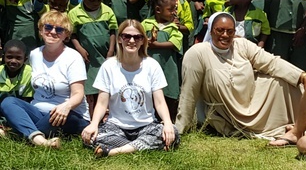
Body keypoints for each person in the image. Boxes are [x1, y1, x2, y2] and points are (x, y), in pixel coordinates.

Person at [175, 12, 306, 138]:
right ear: (211, 31)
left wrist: (302, 75)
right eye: (220, 30)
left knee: (284, 82)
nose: (225, 35)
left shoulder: (241, 45)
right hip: (227, 117)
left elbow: (270, 62)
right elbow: (189, 93)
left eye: (230, 31)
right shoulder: (198, 53)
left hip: (253, 103)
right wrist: (180, 130)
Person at [81, 19, 179, 157]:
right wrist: (94, 124)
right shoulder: (108, 66)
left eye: (137, 37)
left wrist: (168, 123)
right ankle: (141, 146)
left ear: (142, 41)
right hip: (116, 126)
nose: (131, 41)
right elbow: (102, 103)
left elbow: (160, 101)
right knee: (91, 136)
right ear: (120, 39)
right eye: (127, 36)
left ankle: (114, 151)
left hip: (146, 125)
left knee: (173, 132)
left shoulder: (152, 65)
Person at [0, 11, 90, 148]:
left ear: (66, 35)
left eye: (59, 29)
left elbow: (78, 94)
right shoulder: (35, 54)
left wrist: (66, 107)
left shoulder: (73, 58)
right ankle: (41, 141)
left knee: (50, 118)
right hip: (38, 112)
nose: (53, 32)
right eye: (48, 27)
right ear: (41, 30)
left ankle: (19, 132)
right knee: (8, 102)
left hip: (68, 114)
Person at [0, 40, 34, 137]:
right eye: (9, 57)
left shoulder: (29, 73)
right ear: (3, 57)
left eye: (18, 58)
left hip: (18, 110)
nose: (13, 61)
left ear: (25, 59)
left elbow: (27, 101)